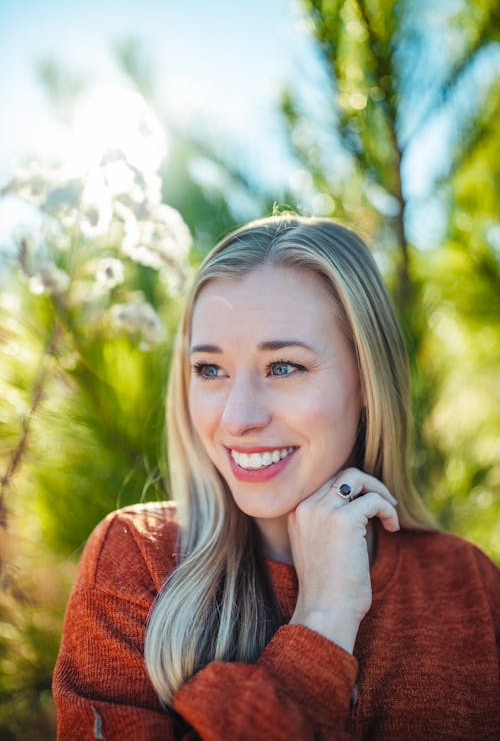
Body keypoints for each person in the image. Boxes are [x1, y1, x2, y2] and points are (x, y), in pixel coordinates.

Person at [53, 215, 499, 740]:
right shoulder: (136, 562)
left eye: (283, 366)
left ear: (366, 382)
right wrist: (322, 621)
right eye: (210, 370)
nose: (238, 418)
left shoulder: (465, 580)